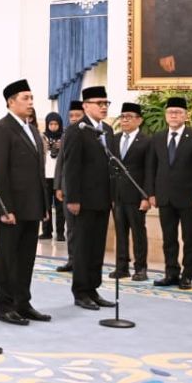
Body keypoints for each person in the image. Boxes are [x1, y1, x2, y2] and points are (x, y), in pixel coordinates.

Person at [0, 80, 50, 326]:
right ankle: (6, 306)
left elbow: (39, 171)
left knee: (26, 257)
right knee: (7, 258)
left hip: (32, 206)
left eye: (32, 98)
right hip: (11, 207)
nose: (31, 103)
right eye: (25, 98)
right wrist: (5, 208)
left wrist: (44, 205)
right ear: (11, 102)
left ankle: (23, 303)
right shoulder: (2, 129)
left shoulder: (32, 129)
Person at [62, 86, 117, 311]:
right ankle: (81, 291)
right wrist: (73, 198)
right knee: (83, 247)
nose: (104, 107)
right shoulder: (77, 130)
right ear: (85, 106)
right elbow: (71, 167)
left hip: (103, 199)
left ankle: (93, 288)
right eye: (99, 103)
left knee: (97, 246)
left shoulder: (108, 130)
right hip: (82, 200)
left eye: (106, 103)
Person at [145, 97, 192, 290]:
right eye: (171, 112)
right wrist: (151, 193)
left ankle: (187, 275)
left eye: (178, 112)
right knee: (168, 238)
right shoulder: (158, 137)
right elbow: (151, 168)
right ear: (165, 115)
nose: (174, 116)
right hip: (165, 197)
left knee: (189, 239)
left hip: (188, 199)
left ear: (185, 116)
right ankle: (171, 272)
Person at [108, 102, 152, 282]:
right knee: (120, 231)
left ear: (139, 120)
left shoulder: (147, 141)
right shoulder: (115, 139)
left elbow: (150, 170)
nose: (125, 120)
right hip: (117, 195)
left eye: (129, 117)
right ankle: (121, 266)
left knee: (138, 232)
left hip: (136, 195)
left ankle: (140, 268)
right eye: (123, 116)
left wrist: (146, 196)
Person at [53, 99, 84, 272]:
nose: (73, 118)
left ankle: (83, 261)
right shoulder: (67, 134)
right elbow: (61, 163)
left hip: (85, 191)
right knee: (70, 229)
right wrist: (58, 186)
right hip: (66, 189)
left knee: (83, 230)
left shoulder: (92, 133)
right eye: (71, 115)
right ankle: (72, 260)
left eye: (77, 115)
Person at [39, 112, 65, 241]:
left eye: (56, 124)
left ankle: (60, 233)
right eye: (51, 124)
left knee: (60, 207)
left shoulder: (64, 137)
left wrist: (62, 146)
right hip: (45, 176)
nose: (53, 127)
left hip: (59, 177)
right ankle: (46, 231)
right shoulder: (42, 137)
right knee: (46, 205)